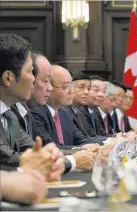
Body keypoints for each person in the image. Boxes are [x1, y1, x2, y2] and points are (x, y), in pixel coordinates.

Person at [10, 53, 95, 172]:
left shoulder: (26, 113)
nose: (49, 88)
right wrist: (73, 160)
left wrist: (89, 149)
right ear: (9, 77)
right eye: (45, 81)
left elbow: (36, 152)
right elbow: (13, 158)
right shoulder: (30, 113)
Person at [0, 33, 64, 180]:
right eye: (30, 71)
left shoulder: (9, 115)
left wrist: (53, 155)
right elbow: (8, 159)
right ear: (8, 78)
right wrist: (73, 161)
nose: (33, 79)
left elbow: (33, 151)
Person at [31, 65, 100, 151]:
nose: (71, 91)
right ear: (49, 87)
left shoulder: (65, 113)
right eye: (65, 87)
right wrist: (79, 149)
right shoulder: (35, 113)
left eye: (71, 86)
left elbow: (81, 138)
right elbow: (49, 147)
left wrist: (92, 146)